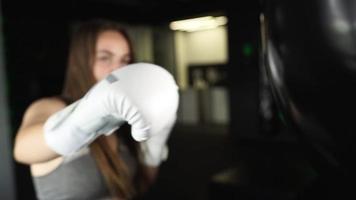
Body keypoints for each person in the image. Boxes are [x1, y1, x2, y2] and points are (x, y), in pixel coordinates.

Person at [13, 18, 179, 200]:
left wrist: (155, 144)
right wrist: (83, 120)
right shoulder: (52, 107)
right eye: (104, 58)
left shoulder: (121, 119)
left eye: (126, 60)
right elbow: (23, 150)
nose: (118, 69)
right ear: (80, 62)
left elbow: (138, 186)